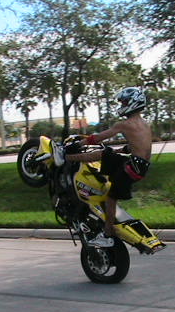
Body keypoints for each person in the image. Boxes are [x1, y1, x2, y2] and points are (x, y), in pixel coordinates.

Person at [64, 87, 151, 247]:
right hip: (140, 166)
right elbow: (139, 146)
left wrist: (77, 145)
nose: (122, 105)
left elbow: (97, 138)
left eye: (124, 102)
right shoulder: (145, 124)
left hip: (131, 168)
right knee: (107, 154)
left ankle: (107, 234)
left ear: (133, 103)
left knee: (111, 198)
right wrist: (121, 150)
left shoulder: (125, 124)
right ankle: (71, 161)